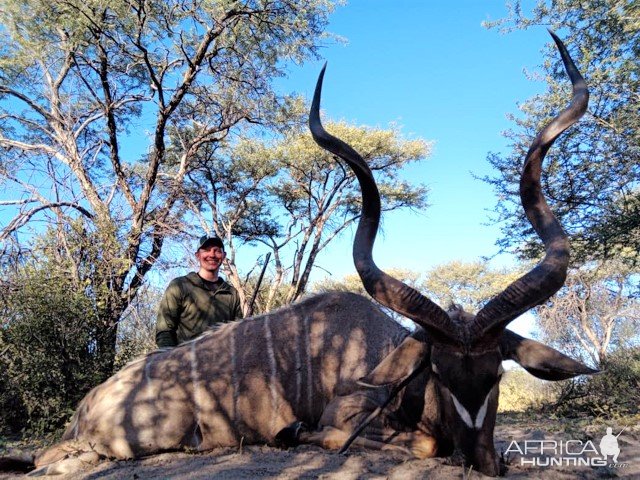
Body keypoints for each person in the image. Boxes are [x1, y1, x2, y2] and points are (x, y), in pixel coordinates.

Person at [155, 235, 243, 348]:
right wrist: (173, 361)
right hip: (186, 361)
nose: (212, 254)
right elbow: (164, 331)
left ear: (223, 256)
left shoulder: (231, 293)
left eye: (217, 251)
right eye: (206, 250)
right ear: (198, 255)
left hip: (222, 362)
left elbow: (237, 334)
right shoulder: (180, 285)